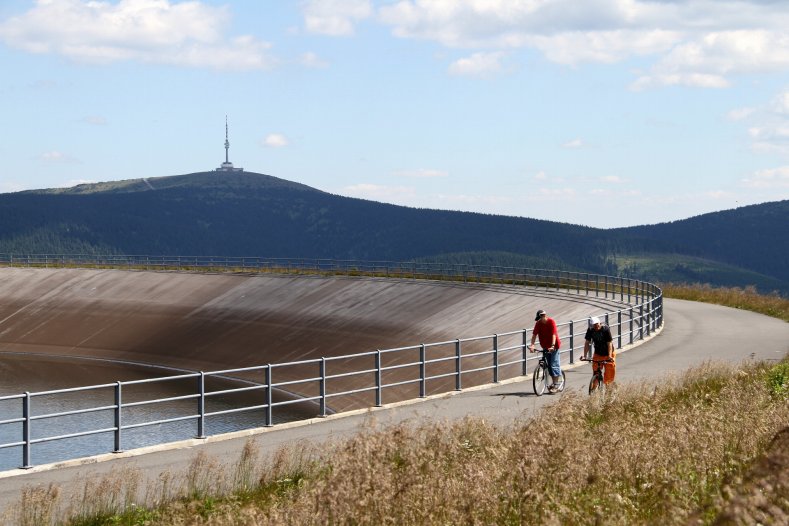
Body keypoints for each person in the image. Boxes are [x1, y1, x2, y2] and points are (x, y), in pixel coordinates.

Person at [528, 309, 562, 392]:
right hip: (545, 346)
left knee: (553, 364)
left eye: (543, 316)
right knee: (548, 365)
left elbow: (554, 334)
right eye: (540, 317)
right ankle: (551, 381)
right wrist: (532, 345)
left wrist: (553, 346)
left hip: (554, 346)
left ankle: (555, 384)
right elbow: (534, 335)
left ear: (545, 315)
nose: (541, 318)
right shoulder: (538, 324)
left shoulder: (551, 322)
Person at [583, 316, 616, 385]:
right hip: (598, 353)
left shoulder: (605, 329)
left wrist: (610, 356)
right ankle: (594, 391)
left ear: (599, 323)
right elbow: (587, 343)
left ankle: (609, 390)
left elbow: (609, 343)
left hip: (608, 353)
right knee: (596, 372)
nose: (595, 326)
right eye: (593, 325)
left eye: (596, 324)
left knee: (609, 376)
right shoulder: (590, 330)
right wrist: (584, 356)